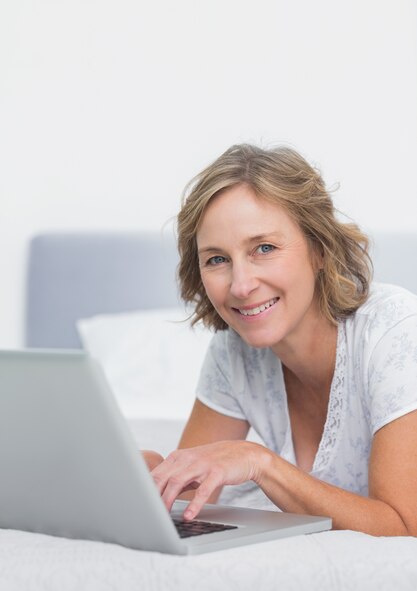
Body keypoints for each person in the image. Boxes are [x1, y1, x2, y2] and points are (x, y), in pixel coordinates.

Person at [143, 144, 417, 536]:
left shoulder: (397, 332)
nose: (240, 286)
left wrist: (259, 462)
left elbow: (406, 529)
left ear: (319, 250)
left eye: (264, 248)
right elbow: (191, 499)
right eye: (217, 259)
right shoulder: (232, 353)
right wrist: (148, 475)